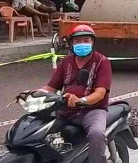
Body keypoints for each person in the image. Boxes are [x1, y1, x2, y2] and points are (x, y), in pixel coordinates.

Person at [37, 25, 112, 163]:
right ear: (71, 43)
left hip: (92, 110)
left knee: (96, 134)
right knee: (39, 133)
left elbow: (100, 93)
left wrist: (81, 100)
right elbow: (51, 87)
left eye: (86, 40)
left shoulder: (102, 61)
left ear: (92, 42)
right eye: (78, 41)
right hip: (66, 110)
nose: (82, 44)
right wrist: (34, 94)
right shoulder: (66, 61)